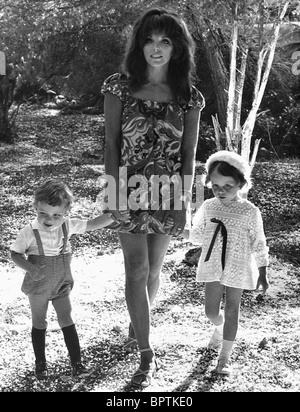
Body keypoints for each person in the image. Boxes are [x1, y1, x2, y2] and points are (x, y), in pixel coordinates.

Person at [101, 8, 205, 387]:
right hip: (127, 190)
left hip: (168, 193)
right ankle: (147, 351)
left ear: (177, 48)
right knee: (137, 270)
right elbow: (111, 144)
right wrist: (113, 194)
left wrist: (184, 203)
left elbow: (190, 156)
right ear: (139, 44)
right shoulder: (118, 87)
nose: (156, 48)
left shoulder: (189, 98)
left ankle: (137, 324)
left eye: (164, 41)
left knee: (155, 270)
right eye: (149, 40)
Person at [10, 178, 128, 379]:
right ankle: (40, 364)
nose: (49, 219)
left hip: (62, 281)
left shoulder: (68, 225)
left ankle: (77, 364)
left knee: (67, 318)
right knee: (40, 321)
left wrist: (114, 216)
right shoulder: (29, 231)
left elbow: (92, 224)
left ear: (66, 213)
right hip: (38, 283)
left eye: (56, 215)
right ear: (35, 207)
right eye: (43, 213)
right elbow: (14, 254)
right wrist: (30, 268)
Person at [189, 150, 269, 375]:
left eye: (228, 186)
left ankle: (224, 358)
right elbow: (197, 236)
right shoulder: (208, 206)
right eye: (215, 186)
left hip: (238, 265)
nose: (221, 191)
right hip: (213, 263)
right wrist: (183, 225)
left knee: (233, 309)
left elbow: (259, 242)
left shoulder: (250, 211)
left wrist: (263, 270)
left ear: (241, 184)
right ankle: (219, 328)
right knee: (211, 312)